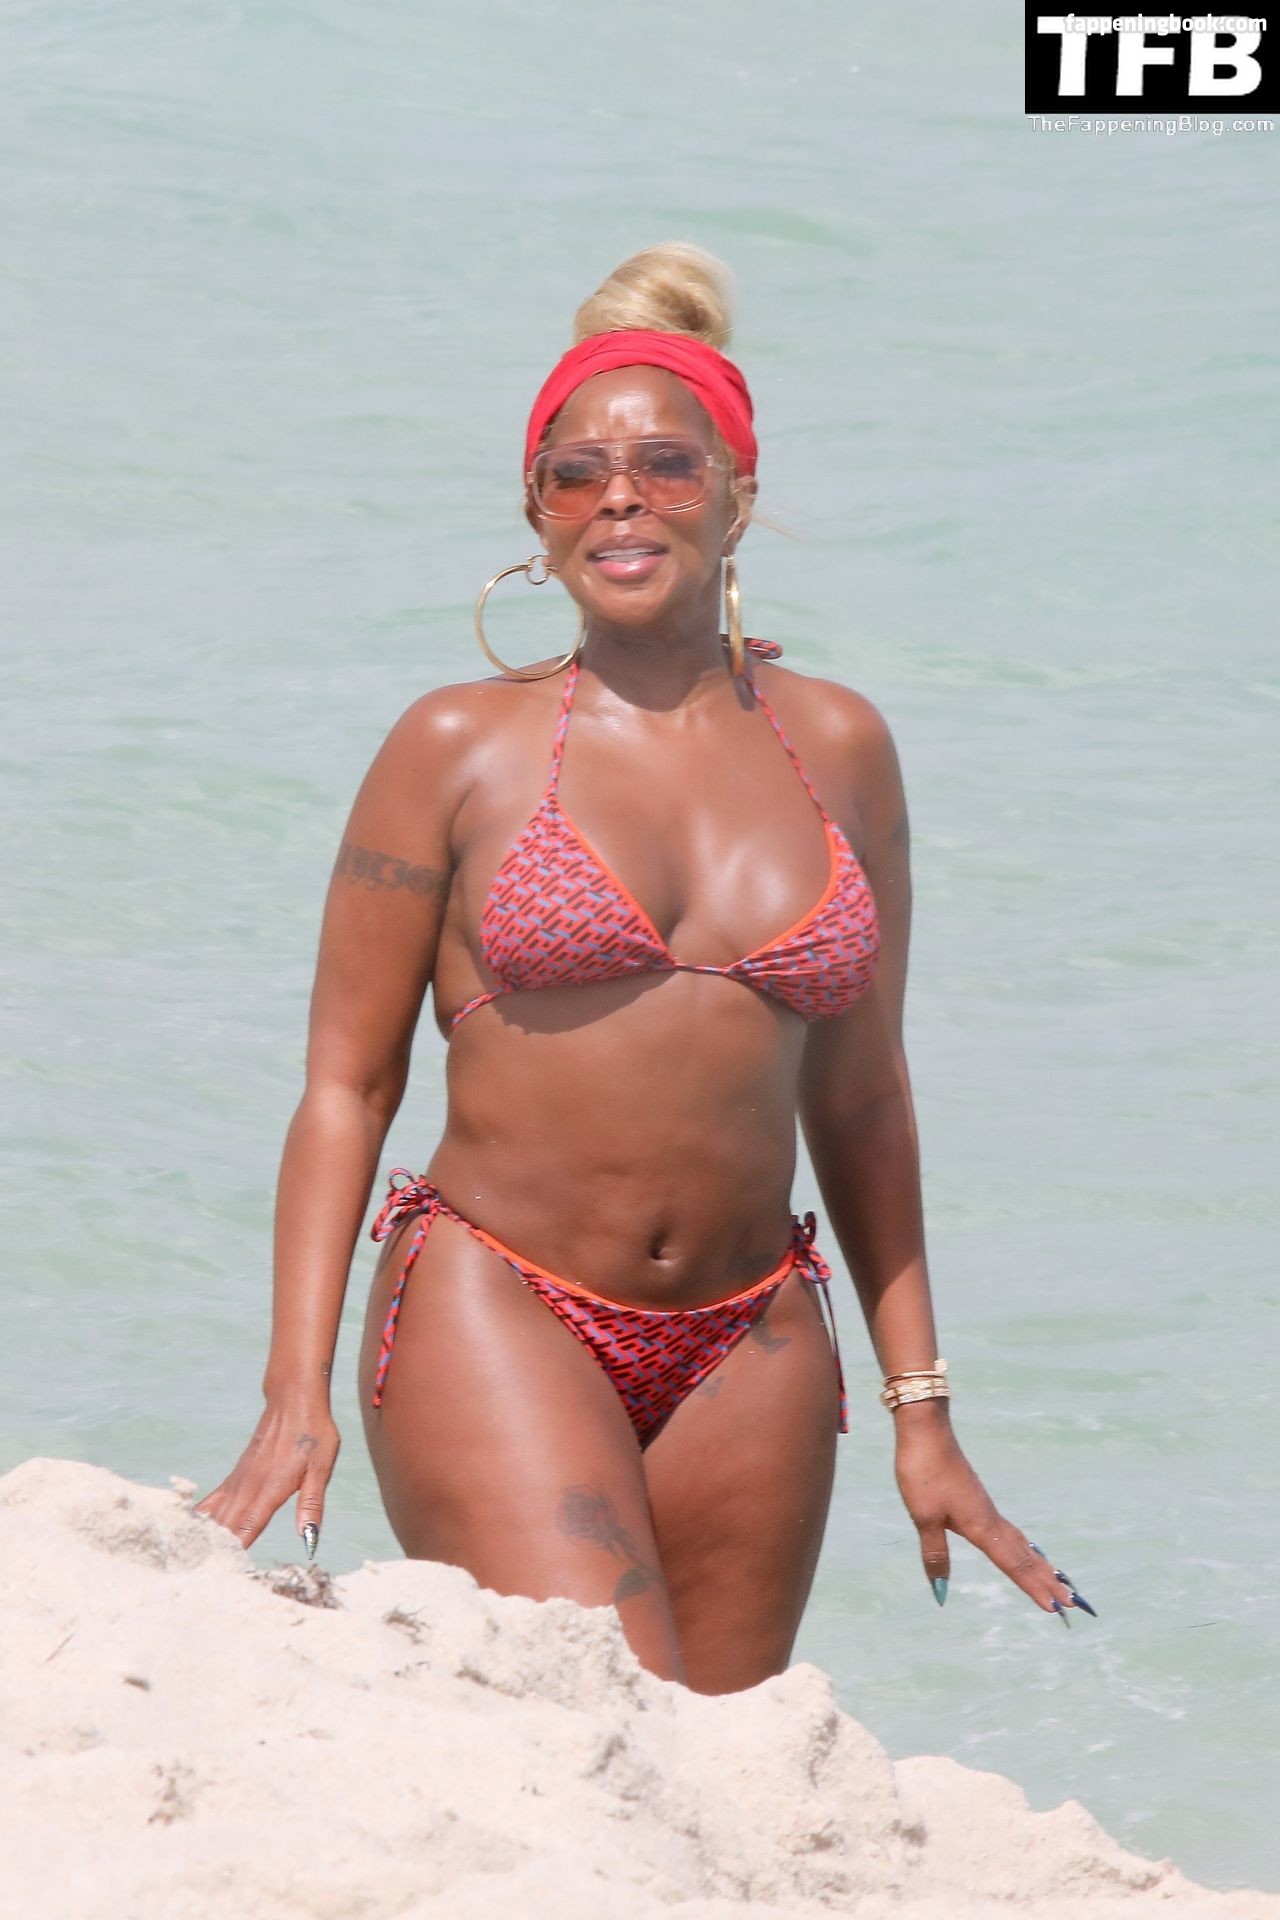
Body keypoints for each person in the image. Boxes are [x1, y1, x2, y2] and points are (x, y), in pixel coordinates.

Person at [196, 243, 1088, 1693]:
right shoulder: (455, 747)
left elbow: (863, 1096)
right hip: (499, 1300)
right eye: (575, 475)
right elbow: (346, 1088)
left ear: (740, 493)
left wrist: (921, 1409)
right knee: (597, 1719)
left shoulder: (842, 746)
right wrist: (295, 1390)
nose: (619, 497)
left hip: (755, 1330)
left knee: (715, 1769)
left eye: (668, 466)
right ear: (536, 519)